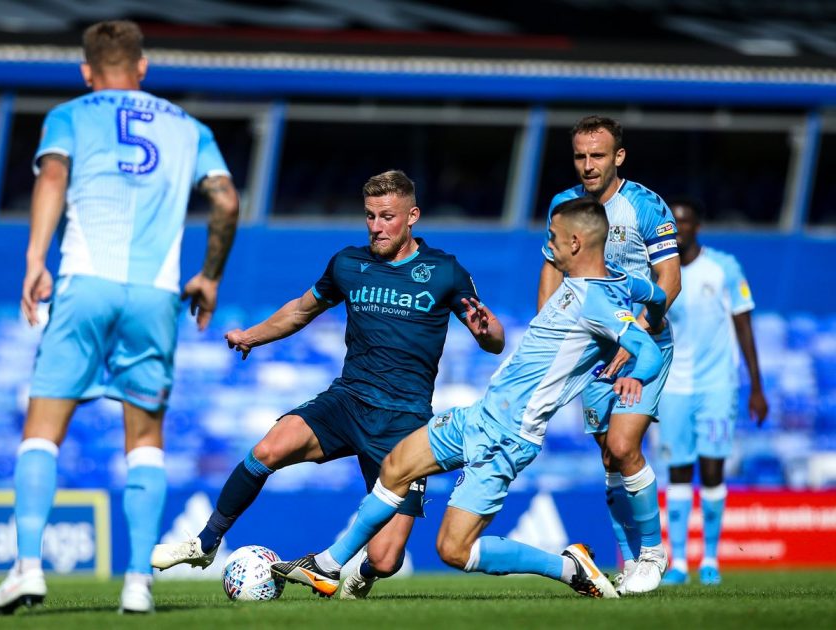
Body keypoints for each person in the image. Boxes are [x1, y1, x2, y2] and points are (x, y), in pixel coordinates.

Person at [271, 197, 667, 600]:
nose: (548, 246)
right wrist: (656, 307)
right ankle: (327, 565)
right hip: (481, 415)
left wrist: (636, 375)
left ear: (577, 243)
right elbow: (652, 291)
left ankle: (569, 568)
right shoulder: (612, 280)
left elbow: (647, 351)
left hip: (508, 437)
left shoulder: (597, 302)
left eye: (554, 238)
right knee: (395, 467)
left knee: (454, 550)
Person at [151, 169, 505, 599]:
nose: (377, 226)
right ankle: (205, 543)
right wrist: (251, 335)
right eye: (370, 216)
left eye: (387, 216)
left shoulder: (444, 272)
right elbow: (301, 310)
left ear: (412, 216)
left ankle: (361, 574)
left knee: (387, 558)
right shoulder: (348, 264)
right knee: (269, 448)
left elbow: (493, 340)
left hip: (404, 424)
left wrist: (487, 332)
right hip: (348, 401)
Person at [0, 20, 239, 615]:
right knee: (145, 441)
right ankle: (137, 582)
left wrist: (35, 258)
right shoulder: (191, 128)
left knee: (43, 429)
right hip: (155, 294)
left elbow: (52, 176)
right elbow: (227, 200)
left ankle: (26, 568)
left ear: (87, 72)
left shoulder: (70, 116)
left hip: (86, 283)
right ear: (143, 66)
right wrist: (208, 275)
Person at [538, 115, 681, 594]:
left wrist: (633, 337)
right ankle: (628, 563)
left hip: (644, 343)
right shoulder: (564, 205)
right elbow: (552, 272)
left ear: (618, 156)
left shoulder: (644, 205)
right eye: (580, 156)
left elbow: (669, 282)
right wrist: (547, 334)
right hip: (594, 351)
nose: (587, 165)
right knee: (607, 457)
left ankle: (653, 553)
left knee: (623, 447)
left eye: (597, 155)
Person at [658, 198, 768, 586]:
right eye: (674, 222)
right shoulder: (658, 273)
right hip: (673, 387)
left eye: (686, 222)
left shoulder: (724, 268)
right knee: (677, 472)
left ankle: (710, 560)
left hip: (717, 385)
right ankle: (679, 564)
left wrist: (757, 386)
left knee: (712, 470)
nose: (680, 228)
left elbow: (744, 325)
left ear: (697, 227)